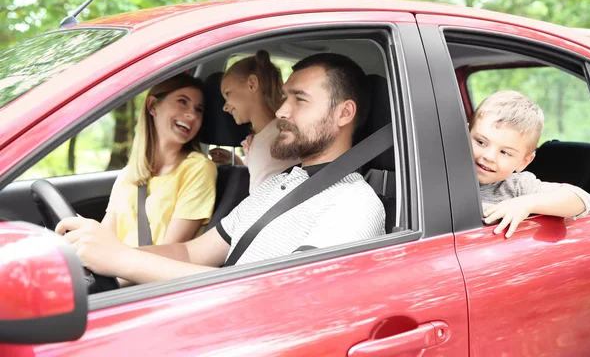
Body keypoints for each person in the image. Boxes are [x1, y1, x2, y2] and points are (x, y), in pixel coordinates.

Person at [56, 53, 385, 284]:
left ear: (344, 114)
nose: (282, 111)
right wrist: (111, 253)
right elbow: (189, 252)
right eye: (284, 97)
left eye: (299, 99)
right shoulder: (277, 186)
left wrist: (124, 261)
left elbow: (277, 297)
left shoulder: (355, 204)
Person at [103, 74, 217, 247]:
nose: (192, 115)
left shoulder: (198, 169)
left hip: (148, 272)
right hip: (112, 270)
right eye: (182, 101)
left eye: (199, 110)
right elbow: (105, 237)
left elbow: (170, 250)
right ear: (152, 106)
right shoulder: (129, 174)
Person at [470, 90, 590, 238]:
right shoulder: (443, 171)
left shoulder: (517, 186)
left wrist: (526, 203)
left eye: (505, 152)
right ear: (465, 133)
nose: (489, 157)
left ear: (523, 162)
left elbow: (582, 200)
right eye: (481, 142)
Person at [209, 50, 299, 193]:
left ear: (252, 84)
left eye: (228, 93)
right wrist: (238, 161)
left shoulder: (284, 136)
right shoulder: (261, 138)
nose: (225, 107)